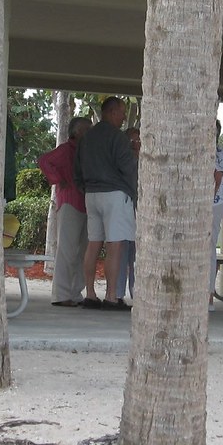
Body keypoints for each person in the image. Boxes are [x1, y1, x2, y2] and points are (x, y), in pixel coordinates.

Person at [73, 96, 137, 311]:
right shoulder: (117, 138)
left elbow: (77, 168)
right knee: (115, 245)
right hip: (115, 194)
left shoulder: (87, 137)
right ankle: (111, 296)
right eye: (121, 112)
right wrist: (135, 192)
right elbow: (128, 168)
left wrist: (85, 187)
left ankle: (90, 293)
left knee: (93, 243)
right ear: (112, 112)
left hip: (91, 194)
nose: (123, 118)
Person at [37, 116, 93, 307]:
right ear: (76, 132)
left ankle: (76, 293)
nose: (89, 133)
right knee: (67, 250)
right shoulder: (65, 150)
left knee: (82, 252)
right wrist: (58, 178)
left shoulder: (86, 151)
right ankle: (61, 294)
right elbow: (44, 161)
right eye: (86, 129)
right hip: (70, 202)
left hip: (87, 203)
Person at [115, 127, 140, 302]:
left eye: (139, 140)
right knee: (123, 252)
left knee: (136, 256)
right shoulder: (122, 161)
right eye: (132, 141)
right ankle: (118, 293)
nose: (136, 144)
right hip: (125, 208)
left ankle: (137, 293)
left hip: (142, 213)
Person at [210, 120, 223, 310]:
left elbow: (217, 177)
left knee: (208, 251)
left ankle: (208, 295)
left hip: (213, 204)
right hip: (211, 203)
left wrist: (209, 200)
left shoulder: (218, 152)